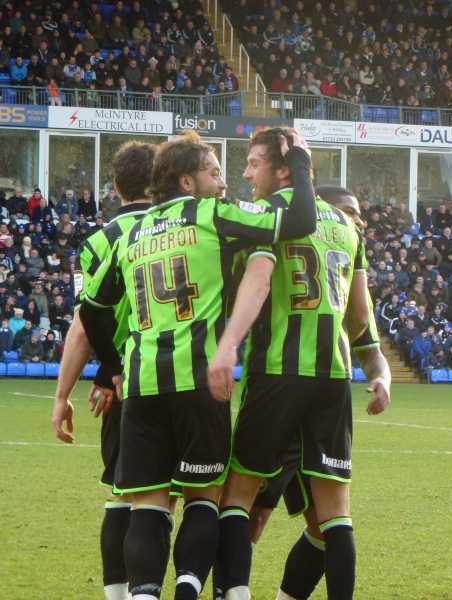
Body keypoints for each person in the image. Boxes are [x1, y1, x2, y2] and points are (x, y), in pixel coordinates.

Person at [79, 129, 317, 600]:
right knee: (204, 498)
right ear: (187, 182)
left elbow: (91, 309)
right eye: (214, 172)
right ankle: (188, 589)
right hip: (198, 381)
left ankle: (144, 594)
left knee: (147, 506)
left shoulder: (134, 230)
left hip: (143, 386)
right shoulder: (212, 214)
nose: (224, 182)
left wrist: (111, 367)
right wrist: (303, 163)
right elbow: (300, 219)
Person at [215, 186, 393, 600]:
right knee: (258, 513)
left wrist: (382, 377)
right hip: (316, 387)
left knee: (314, 525)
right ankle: (228, 586)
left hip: (285, 384)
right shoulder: (324, 235)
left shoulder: (336, 262)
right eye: (350, 209)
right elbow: (359, 320)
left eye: (360, 212)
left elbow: (370, 347)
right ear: (324, 206)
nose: (357, 219)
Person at [50, 141, 157, 600]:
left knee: (122, 495)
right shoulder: (191, 226)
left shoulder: (100, 241)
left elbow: (84, 325)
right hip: (185, 381)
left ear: (114, 187)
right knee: (190, 499)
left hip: (123, 382)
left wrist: (65, 394)